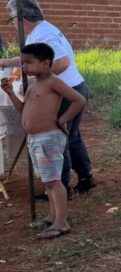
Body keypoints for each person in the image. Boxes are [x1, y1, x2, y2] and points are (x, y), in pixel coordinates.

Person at [2, 0, 95, 196]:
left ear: (21, 18)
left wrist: (39, 81)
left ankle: (61, 187)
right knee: (71, 137)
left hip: (64, 92)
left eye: (12, 20)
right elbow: (33, 59)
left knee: (59, 139)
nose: (13, 25)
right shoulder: (43, 30)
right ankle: (85, 178)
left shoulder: (42, 34)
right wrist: (7, 63)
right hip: (74, 87)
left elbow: (62, 62)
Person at [1, 43, 86, 239]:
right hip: (35, 139)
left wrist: (63, 119)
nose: (24, 67)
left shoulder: (52, 82)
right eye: (23, 63)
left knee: (54, 181)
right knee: (48, 181)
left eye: (28, 63)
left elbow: (79, 100)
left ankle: (61, 222)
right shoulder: (33, 84)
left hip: (49, 138)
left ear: (46, 63)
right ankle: (52, 216)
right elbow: (24, 110)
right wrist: (11, 94)